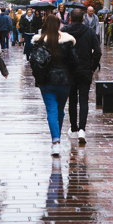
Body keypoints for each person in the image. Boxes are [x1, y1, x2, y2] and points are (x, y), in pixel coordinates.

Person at [31, 15, 77, 156]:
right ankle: (57, 139)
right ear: (59, 25)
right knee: (60, 110)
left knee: (52, 110)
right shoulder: (67, 41)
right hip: (64, 81)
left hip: (46, 81)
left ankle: (56, 142)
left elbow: (33, 61)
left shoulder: (39, 41)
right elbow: (74, 62)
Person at [61, 9, 101, 144]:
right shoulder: (89, 31)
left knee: (72, 99)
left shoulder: (65, 31)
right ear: (83, 19)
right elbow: (98, 51)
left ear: (70, 18)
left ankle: (73, 128)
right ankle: (82, 129)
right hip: (85, 70)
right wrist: (93, 67)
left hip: (69, 70)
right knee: (84, 99)